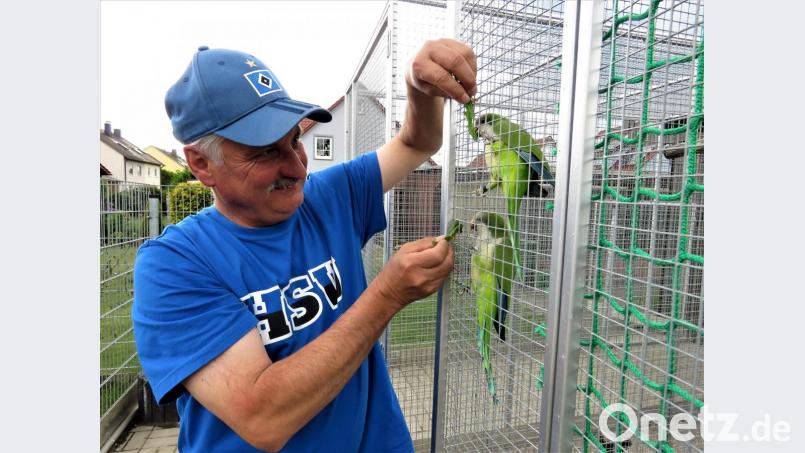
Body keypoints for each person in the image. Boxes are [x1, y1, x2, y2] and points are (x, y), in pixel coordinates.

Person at [132, 39, 477, 453]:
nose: (296, 167)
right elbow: (264, 417)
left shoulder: (327, 197)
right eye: (264, 153)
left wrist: (418, 85)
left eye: (295, 140)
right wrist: (386, 296)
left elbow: (416, 144)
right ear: (202, 164)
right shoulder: (175, 264)